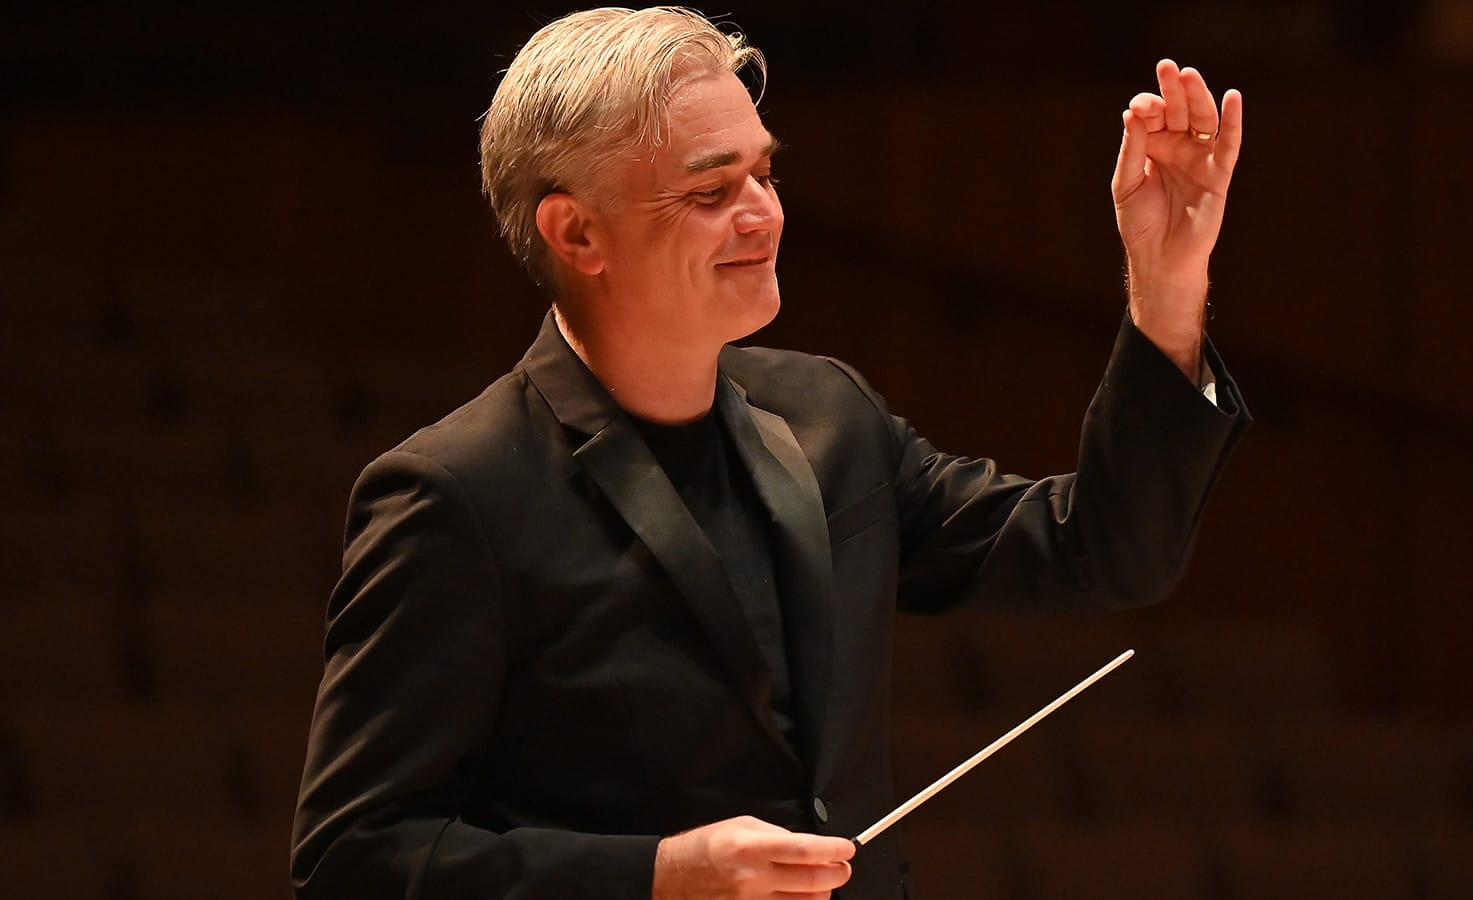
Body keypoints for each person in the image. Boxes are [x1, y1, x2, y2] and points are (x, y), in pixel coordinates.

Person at [291, 6, 1249, 899]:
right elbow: (354, 857)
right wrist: (660, 876)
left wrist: (1166, 282)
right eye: (712, 191)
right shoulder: (458, 493)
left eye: (765, 174)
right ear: (576, 231)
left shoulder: (828, 415)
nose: (764, 214)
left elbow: (1105, 552)